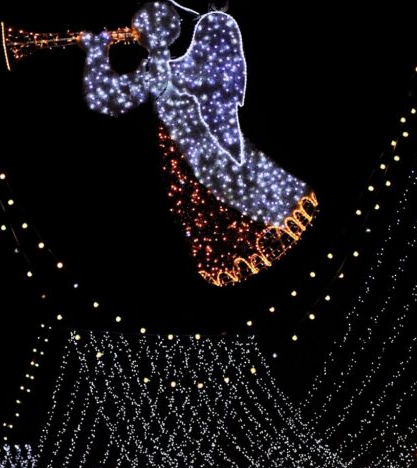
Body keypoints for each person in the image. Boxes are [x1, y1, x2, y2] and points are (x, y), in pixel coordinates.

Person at [80, 2, 318, 285]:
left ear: (146, 33)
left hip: (197, 157)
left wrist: (96, 53)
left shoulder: (159, 70)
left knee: (226, 208)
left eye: (138, 27)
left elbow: (106, 98)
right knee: (231, 201)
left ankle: (263, 250)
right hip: (198, 155)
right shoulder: (174, 68)